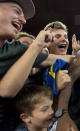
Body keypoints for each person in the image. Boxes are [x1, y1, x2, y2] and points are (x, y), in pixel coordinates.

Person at [0, 0, 73, 130]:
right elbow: (5, 90)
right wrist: (36, 46)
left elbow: (59, 59)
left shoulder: (17, 49)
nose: (23, 20)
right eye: (17, 11)